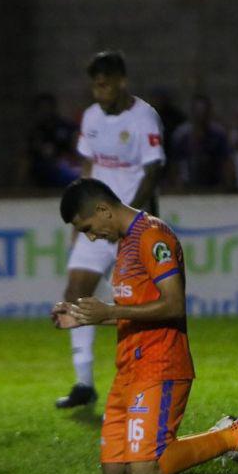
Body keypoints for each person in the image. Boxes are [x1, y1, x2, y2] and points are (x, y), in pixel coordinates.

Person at [51, 178, 238, 474]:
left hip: (160, 363)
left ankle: (234, 436)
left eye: (88, 229)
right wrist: (85, 316)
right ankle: (219, 433)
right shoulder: (126, 243)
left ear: (103, 210)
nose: (91, 238)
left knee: (146, 470)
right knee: (114, 470)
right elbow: (134, 309)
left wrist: (110, 310)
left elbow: (174, 305)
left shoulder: (152, 236)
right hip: (128, 367)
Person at [56, 51, 165, 409]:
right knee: (75, 291)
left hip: (128, 226)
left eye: (105, 85)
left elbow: (151, 172)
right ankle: (83, 382)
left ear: (121, 81)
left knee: (136, 304)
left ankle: (145, 379)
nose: (99, 92)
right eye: (95, 86)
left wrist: (127, 220)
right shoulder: (91, 116)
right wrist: (80, 215)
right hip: (95, 223)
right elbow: (89, 166)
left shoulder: (144, 117)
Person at [168, 93, 231, 189]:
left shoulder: (218, 134)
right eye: (198, 111)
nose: (201, 116)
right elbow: (175, 162)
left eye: (204, 111)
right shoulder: (181, 135)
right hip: (188, 183)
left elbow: (225, 161)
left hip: (214, 183)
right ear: (192, 112)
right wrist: (175, 184)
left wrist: (226, 183)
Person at [18, 92, 80, 188]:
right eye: (42, 108)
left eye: (47, 107)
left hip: (65, 170)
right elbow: (27, 156)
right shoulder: (35, 132)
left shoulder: (66, 127)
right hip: (42, 172)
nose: (45, 111)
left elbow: (77, 148)